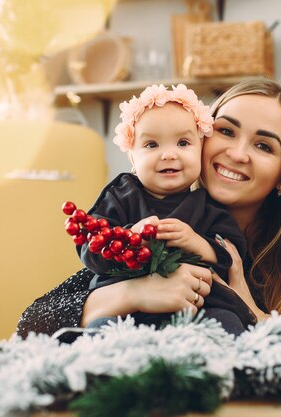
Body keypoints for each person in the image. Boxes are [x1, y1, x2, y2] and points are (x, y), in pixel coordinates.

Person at [16, 78, 281, 339]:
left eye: (264, 146)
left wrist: (253, 312)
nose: (237, 153)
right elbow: (31, 324)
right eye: (226, 131)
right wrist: (133, 293)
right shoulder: (152, 218)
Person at [71, 83, 255, 334]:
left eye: (182, 143)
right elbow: (90, 247)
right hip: (127, 312)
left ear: (201, 148)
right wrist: (128, 240)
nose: (169, 154)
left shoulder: (206, 204)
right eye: (151, 145)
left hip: (198, 308)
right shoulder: (121, 195)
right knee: (99, 328)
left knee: (228, 321)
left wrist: (199, 244)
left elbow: (232, 255)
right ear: (132, 157)